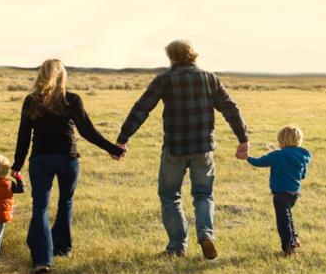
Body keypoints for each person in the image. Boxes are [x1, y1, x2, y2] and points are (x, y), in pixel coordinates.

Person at [116, 40, 249, 259]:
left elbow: (141, 109)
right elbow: (230, 108)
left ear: (172, 57)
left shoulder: (164, 80)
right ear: (193, 55)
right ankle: (206, 234)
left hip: (175, 149)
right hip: (203, 148)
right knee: (204, 194)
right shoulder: (209, 78)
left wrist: (123, 138)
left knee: (169, 195)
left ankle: (177, 247)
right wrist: (242, 138)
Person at [12, 59, 126, 274]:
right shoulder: (71, 99)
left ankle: (42, 260)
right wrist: (113, 149)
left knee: (40, 208)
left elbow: (23, 137)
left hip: (40, 160)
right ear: (62, 76)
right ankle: (62, 249)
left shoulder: (31, 101)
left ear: (41, 75)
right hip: (67, 158)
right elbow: (87, 131)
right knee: (65, 202)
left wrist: (16, 165)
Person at [241, 125, 311, 256]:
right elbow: (303, 175)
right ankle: (294, 238)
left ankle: (289, 248)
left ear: (282, 142)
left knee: (283, 221)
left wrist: (247, 158)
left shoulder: (278, 155)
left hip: (280, 194)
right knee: (288, 217)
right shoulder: (302, 156)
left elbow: (260, 162)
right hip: (295, 193)